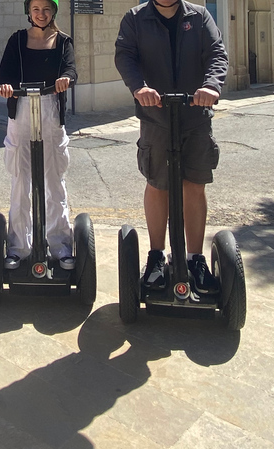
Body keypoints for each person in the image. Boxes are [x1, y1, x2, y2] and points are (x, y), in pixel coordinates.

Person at [114, 0, 228, 294]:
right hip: (156, 118)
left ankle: (195, 258)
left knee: (194, 184)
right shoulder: (135, 19)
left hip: (195, 116)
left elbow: (217, 53)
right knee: (158, 184)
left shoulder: (199, 16)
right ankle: (155, 256)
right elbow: (125, 56)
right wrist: (138, 87)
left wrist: (212, 86)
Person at [0, 0, 78, 271]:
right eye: (35, 9)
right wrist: (5, 86)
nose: (41, 14)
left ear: (53, 11)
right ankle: (18, 247)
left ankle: (60, 246)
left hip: (50, 110)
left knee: (54, 180)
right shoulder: (17, 40)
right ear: (28, 13)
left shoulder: (63, 41)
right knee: (20, 179)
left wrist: (65, 79)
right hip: (20, 109)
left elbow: (70, 69)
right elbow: (4, 74)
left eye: (46, 9)